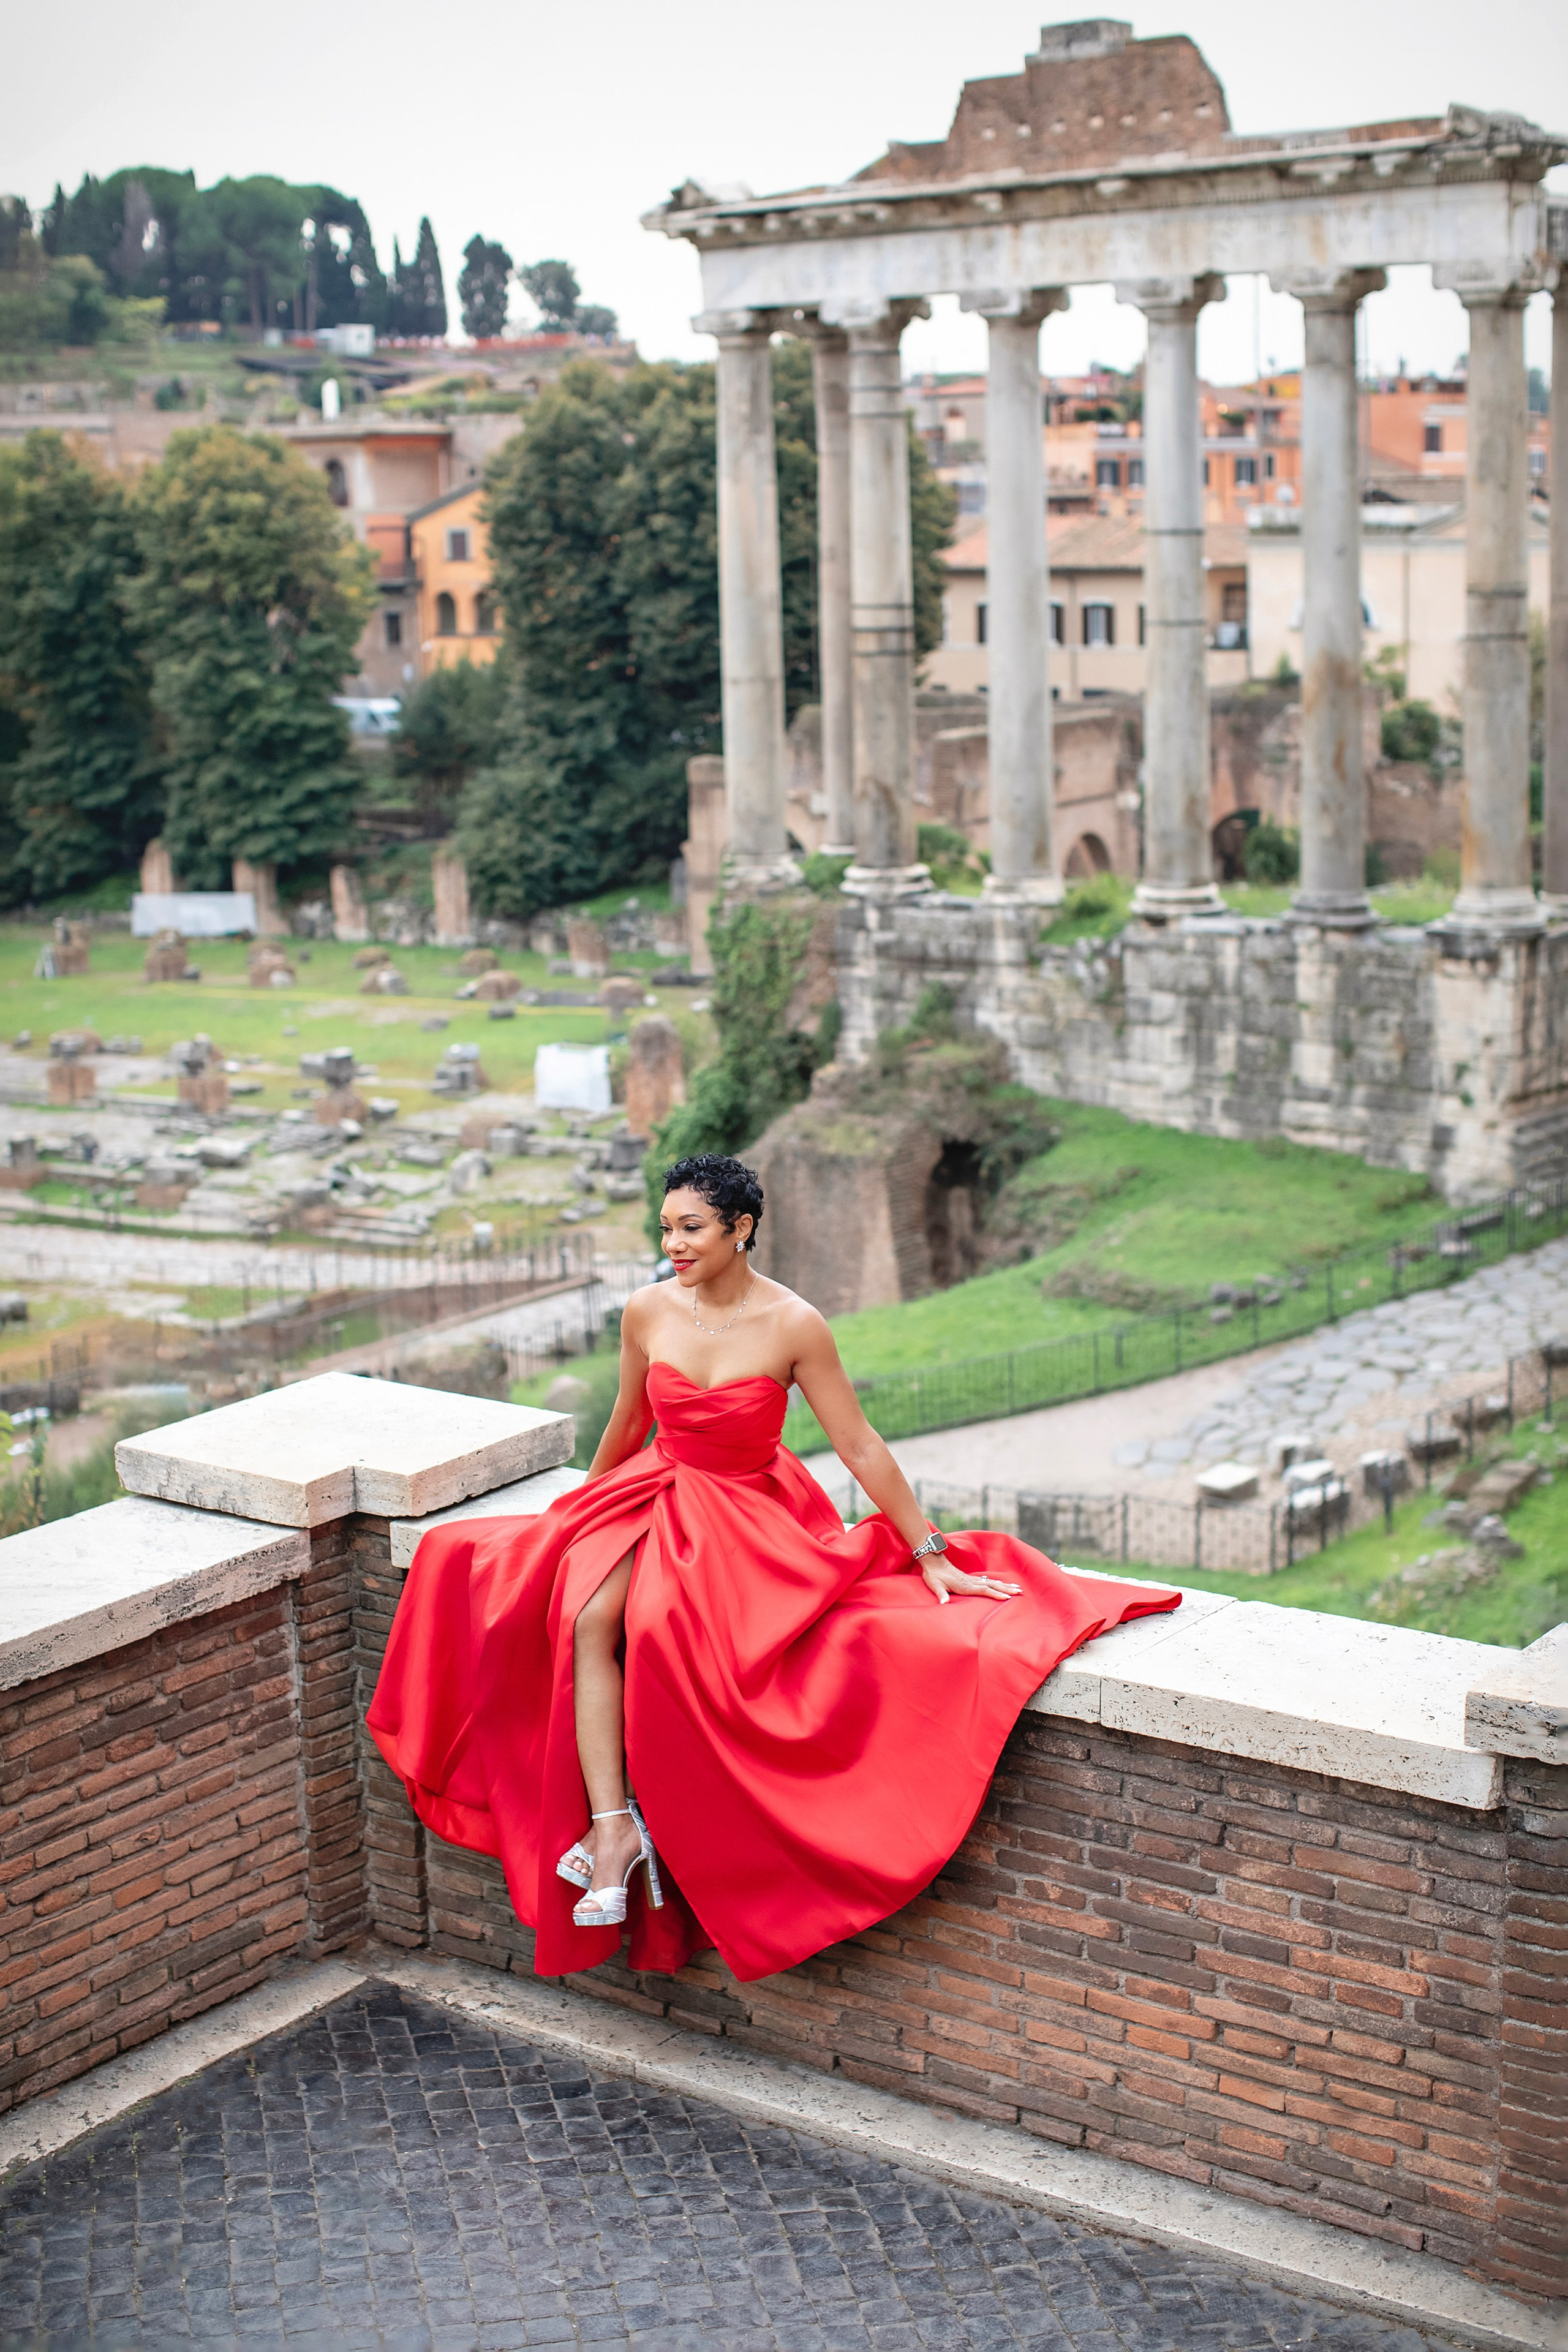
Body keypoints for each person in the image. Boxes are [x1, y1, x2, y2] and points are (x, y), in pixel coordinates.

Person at [368, 1152, 1178, 1985]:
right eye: (666, 1228)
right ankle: (613, 1829)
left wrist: (930, 1552)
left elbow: (859, 1445)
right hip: (651, 1491)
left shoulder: (795, 1324)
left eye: (690, 1229)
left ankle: (649, 1832)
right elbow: (626, 1421)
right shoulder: (647, 1311)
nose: (672, 1243)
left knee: (657, 1629)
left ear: (740, 1227)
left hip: (747, 1512)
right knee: (580, 1612)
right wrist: (574, 1514)